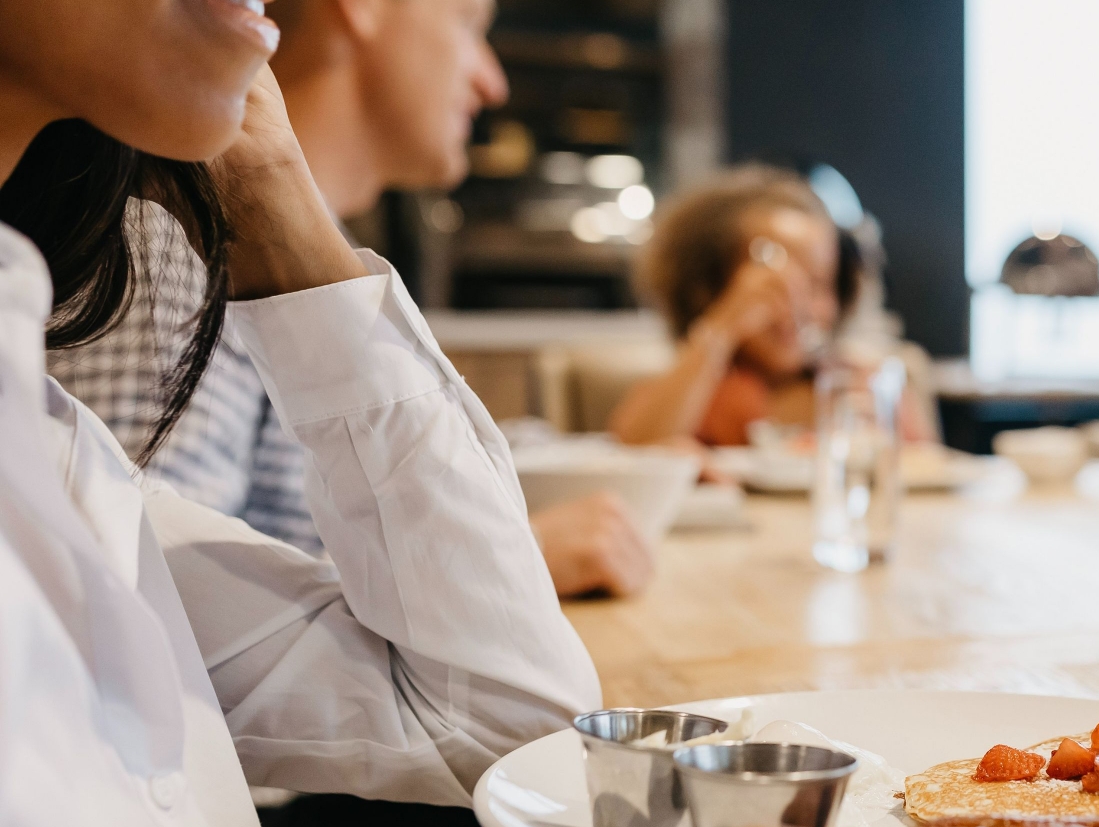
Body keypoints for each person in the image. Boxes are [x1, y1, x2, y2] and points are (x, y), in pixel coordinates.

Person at [0, 3, 1099, 827]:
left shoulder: (58, 453)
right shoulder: (117, 342)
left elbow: (501, 708)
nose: (492, 73)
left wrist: (275, 195)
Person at [42, 0, 652, 600]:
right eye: (469, 25)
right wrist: (482, 570)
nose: (493, 83)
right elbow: (129, 590)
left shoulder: (302, 254)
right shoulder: (182, 238)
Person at [608, 165, 931, 447]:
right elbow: (637, 455)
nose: (796, 305)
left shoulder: (861, 386)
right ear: (708, 288)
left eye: (818, 285)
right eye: (771, 286)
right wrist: (719, 330)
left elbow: (921, 468)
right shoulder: (696, 391)